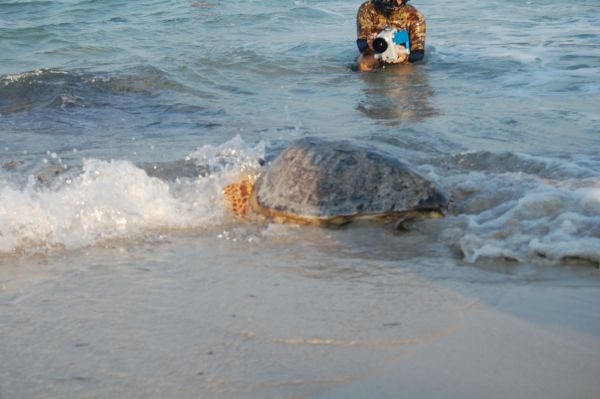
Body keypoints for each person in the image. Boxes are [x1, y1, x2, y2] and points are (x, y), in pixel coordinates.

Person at [356, 0, 426, 72]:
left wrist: (405, 57)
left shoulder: (415, 16)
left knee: (403, 74)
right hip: (375, 53)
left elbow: (419, 52)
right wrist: (369, 45)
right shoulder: (368, 8)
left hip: (400, 56)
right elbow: (361, 41)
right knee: (364, 63)